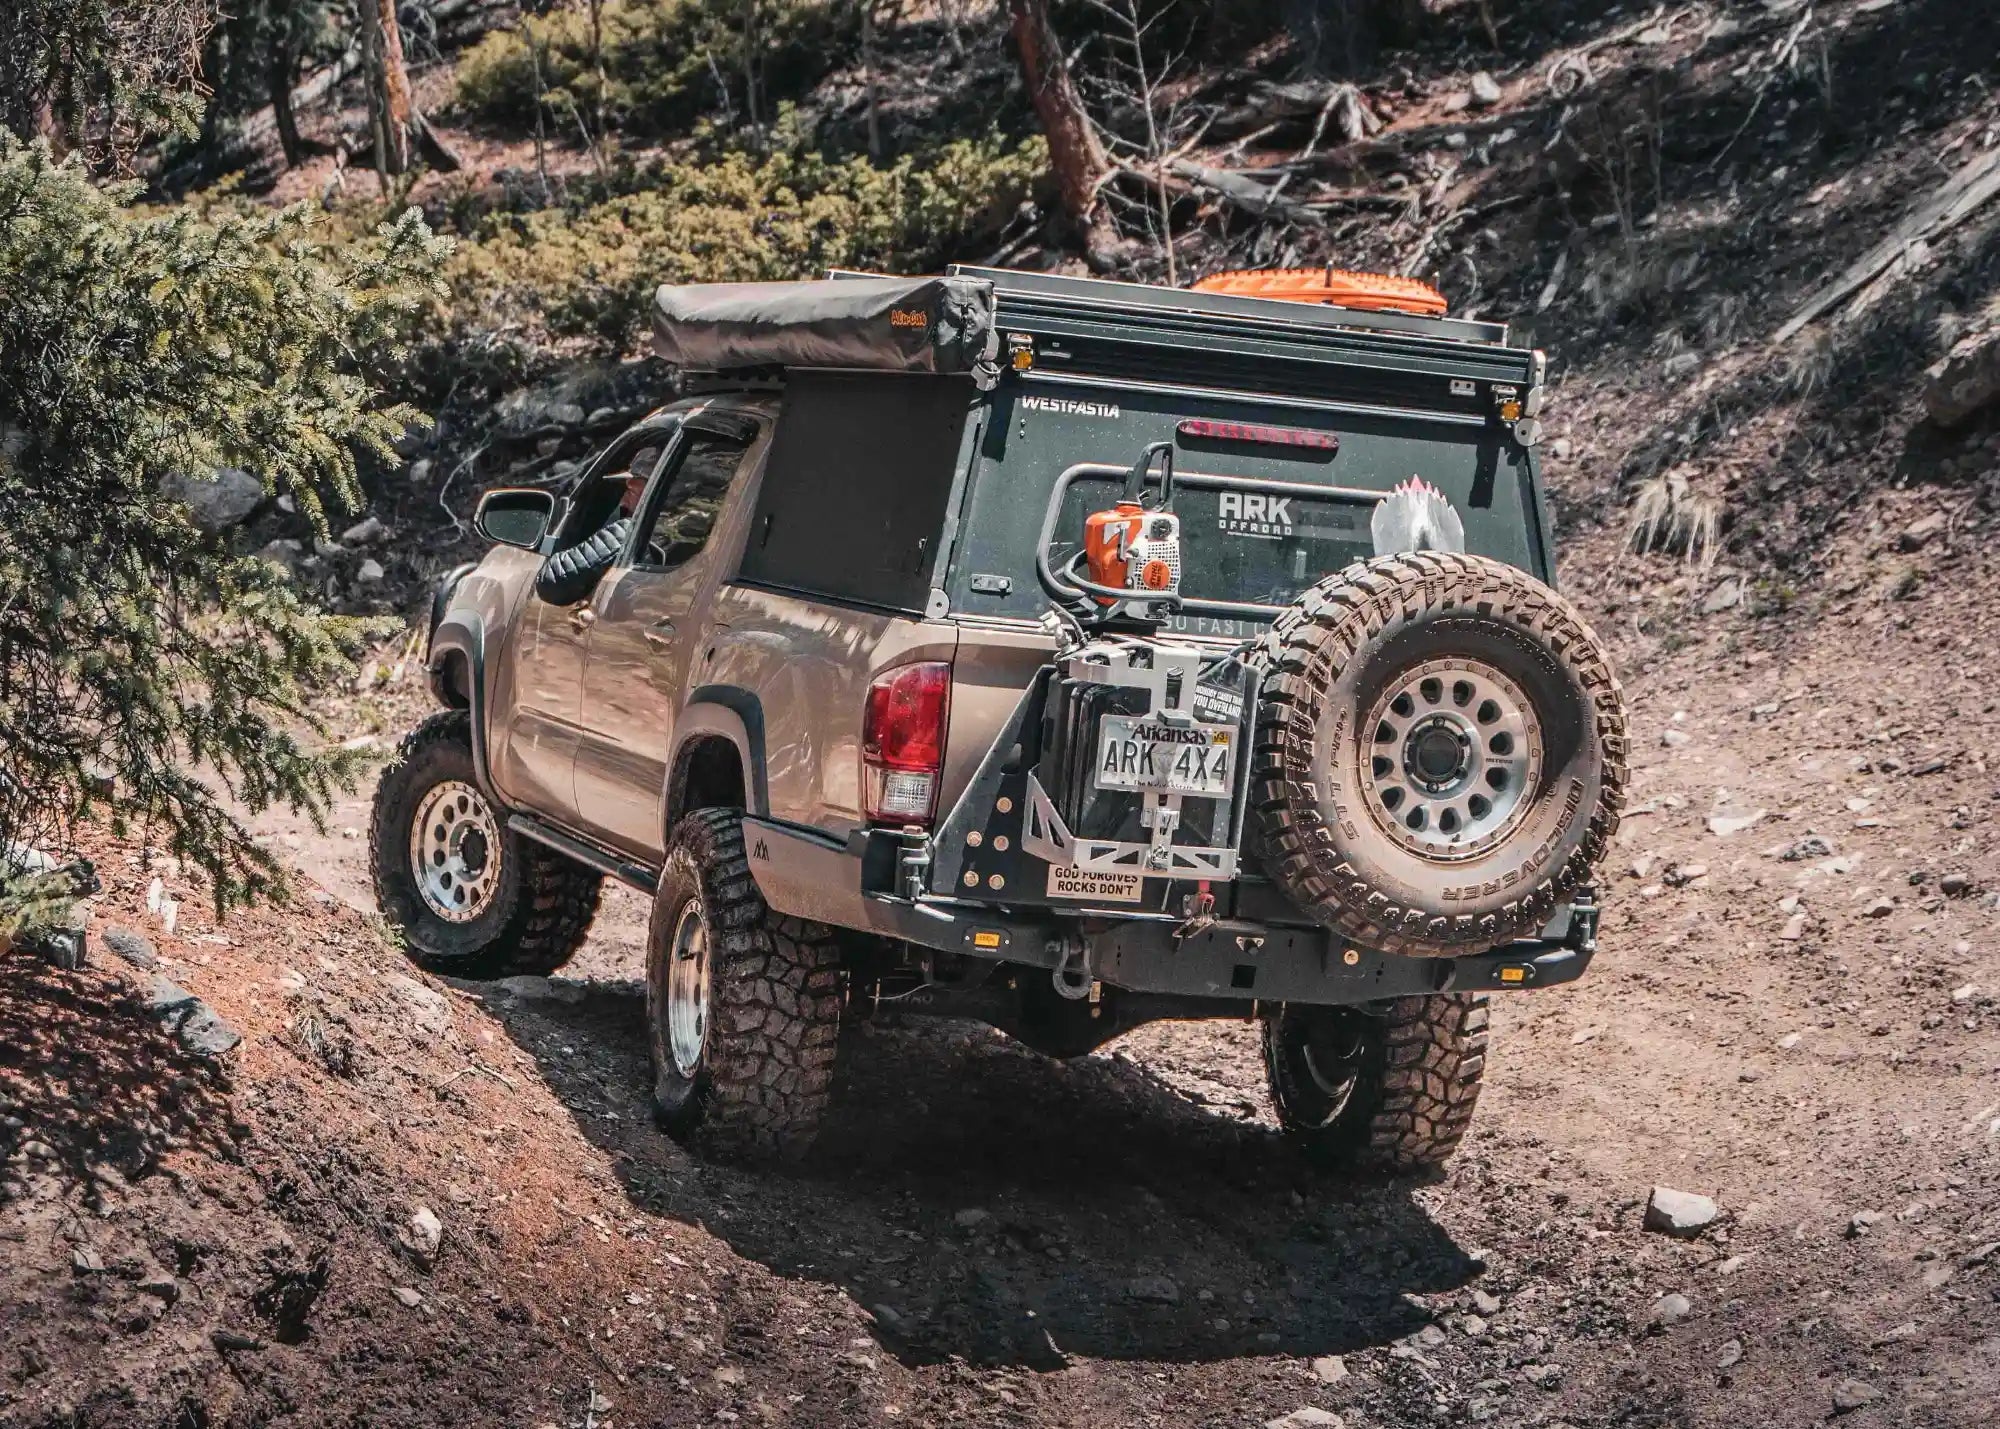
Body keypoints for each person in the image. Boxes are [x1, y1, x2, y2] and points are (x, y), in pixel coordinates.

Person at [533, 462, 651, 606]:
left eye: (631, 492)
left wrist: (627, 531)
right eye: (624, 492)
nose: (624, 502)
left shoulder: (631, 533)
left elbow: (553, 582)